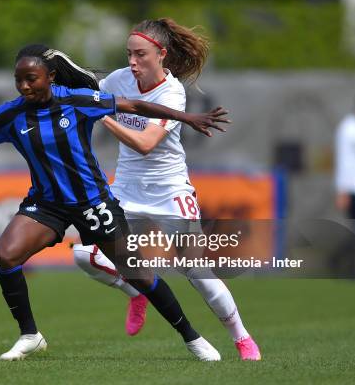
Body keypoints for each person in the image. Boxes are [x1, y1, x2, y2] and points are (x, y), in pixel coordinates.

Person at [0, 44, 230, 362]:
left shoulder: (76, 100)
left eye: (32, 78)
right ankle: (30, 335)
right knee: (5, 255)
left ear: (50, 77)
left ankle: (193, 338)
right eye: (19, 80)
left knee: (139, 274)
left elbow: (135, 105)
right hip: (47, 204)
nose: (25, 86)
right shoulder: (10, 114)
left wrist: (187, 117)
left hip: (92, 202)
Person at [71, 18, 261, 361]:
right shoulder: (118, 80)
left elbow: (146, 143)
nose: (132, 61)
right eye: (128, 53)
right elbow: (85, 92)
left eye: (140, 54)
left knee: (197, 272)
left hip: (169, 191)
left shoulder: (172, 92)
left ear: (161, 54)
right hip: (126, 191)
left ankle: (242, 338)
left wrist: (103, 116)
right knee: (85, 254)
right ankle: (136, 290)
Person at [331, 95, 355, 278]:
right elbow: (343, 161)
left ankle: (336, 258)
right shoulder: (349, 128)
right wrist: (342, 190)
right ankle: (352, 270)